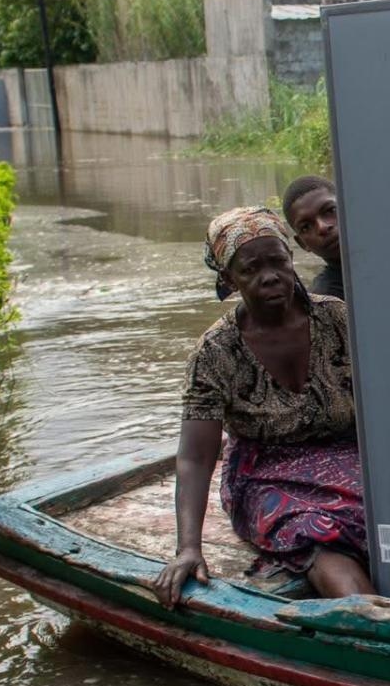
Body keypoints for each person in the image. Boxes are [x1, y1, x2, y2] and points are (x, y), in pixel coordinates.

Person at [153, 207, 373, 606]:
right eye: (251, 269)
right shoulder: (216, 352)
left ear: (291, 260)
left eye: (277, 261)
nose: (269, 275)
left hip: (348, 455)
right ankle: (376, 623)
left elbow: (388, 393)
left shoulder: (337, 318)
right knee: (315, 529)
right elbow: (196, 458)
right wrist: (188, 547)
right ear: (228, 280)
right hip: (264, 473)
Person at [283, 175, 344, 300]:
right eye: (306, 227)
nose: (322, 227)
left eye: (330, 210)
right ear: (302, 244)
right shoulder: (325, 301)